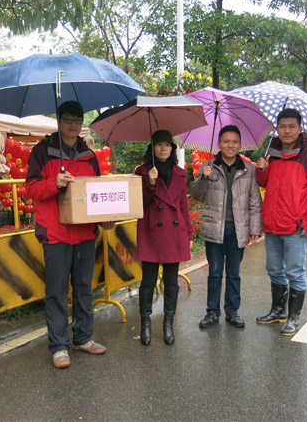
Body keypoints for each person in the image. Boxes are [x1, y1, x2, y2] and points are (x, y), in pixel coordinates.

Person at [26, 101, 113, 369]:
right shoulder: (42, 152)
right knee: (56, 291)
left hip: (84, 234)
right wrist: (54, 183)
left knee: (85, 288)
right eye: (68, 119)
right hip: (55, 234)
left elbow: (95, 194)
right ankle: (59, 345)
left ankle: (83, 337)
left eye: (77, 120)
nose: (73, 124)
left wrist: (105, 219)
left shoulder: (89, 155)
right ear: (59, 121)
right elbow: (31, 188)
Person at [255, 108, 307, 336]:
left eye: (291, 126)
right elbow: (265, 183)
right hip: (272, 224)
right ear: (277, 128)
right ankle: (278, 310)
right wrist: (262, 171)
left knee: (295, 272)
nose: (286, 131)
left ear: (300, 128)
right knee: (274, 270)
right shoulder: (273, 152)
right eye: (282, 126)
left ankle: (293, 318)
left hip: (296, 227)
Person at [191, 125, 262, 329]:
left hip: (238, 229)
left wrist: (255, 228)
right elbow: (196, 195)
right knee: (214, 272)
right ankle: (212, 312)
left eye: (234, 142)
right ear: (219, 144)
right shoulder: (208, 166)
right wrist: (203, 178)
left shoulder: (248, 169)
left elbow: (255, 200)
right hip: (214, 228)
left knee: (233, 273)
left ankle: (232, 312)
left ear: (240, 145)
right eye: (226, 141)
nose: (230, 145)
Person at [134, 130, 193, 345]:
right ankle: (145, 324)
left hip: (173, 232)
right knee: (148, 281)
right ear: (152, 148)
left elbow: (183, 206)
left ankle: (168, 324)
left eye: (167, 145)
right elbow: (137, 202)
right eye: (159, 144)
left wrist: (189, 232)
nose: (163, 148)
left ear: (172, 148)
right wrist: (149, 183)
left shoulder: (179, 173)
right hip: (151, 231)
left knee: (171, 281)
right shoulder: (142, 171)